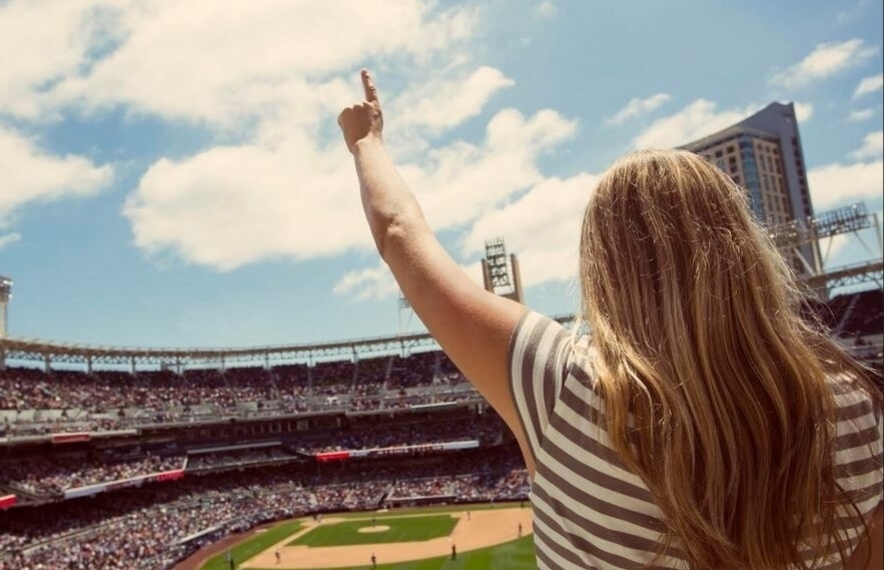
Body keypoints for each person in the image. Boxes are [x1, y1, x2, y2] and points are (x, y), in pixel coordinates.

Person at [338, 69, 884, 569]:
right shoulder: (854, 406)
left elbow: (399, 232)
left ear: (603, 268)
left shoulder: (562, 386)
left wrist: (367, 145)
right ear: (746, 250)